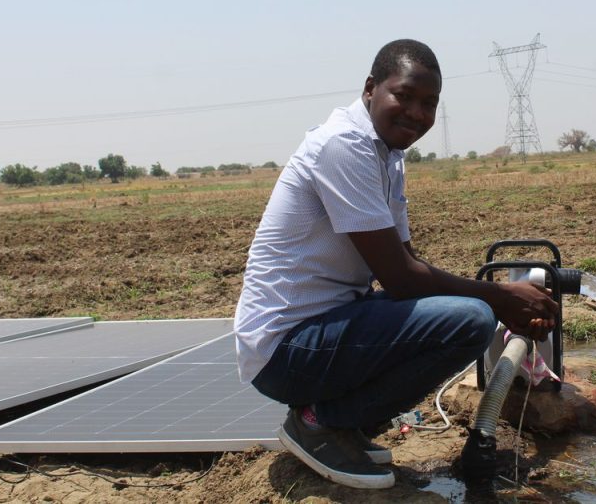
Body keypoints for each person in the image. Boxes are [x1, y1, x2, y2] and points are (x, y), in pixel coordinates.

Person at [234, 39, 558, 489]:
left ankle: (340, 424)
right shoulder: (343, 145)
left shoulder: (386, 153)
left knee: (462, 313)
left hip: (324, 327)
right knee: (468, 321)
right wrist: (500, 297)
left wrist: (499, 302)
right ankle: (319, 423)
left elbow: (405, 261)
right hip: (285, 349)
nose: (417, 113)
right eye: (403, 96)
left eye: (429, 103)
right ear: (371, 88)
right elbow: (401, 278)